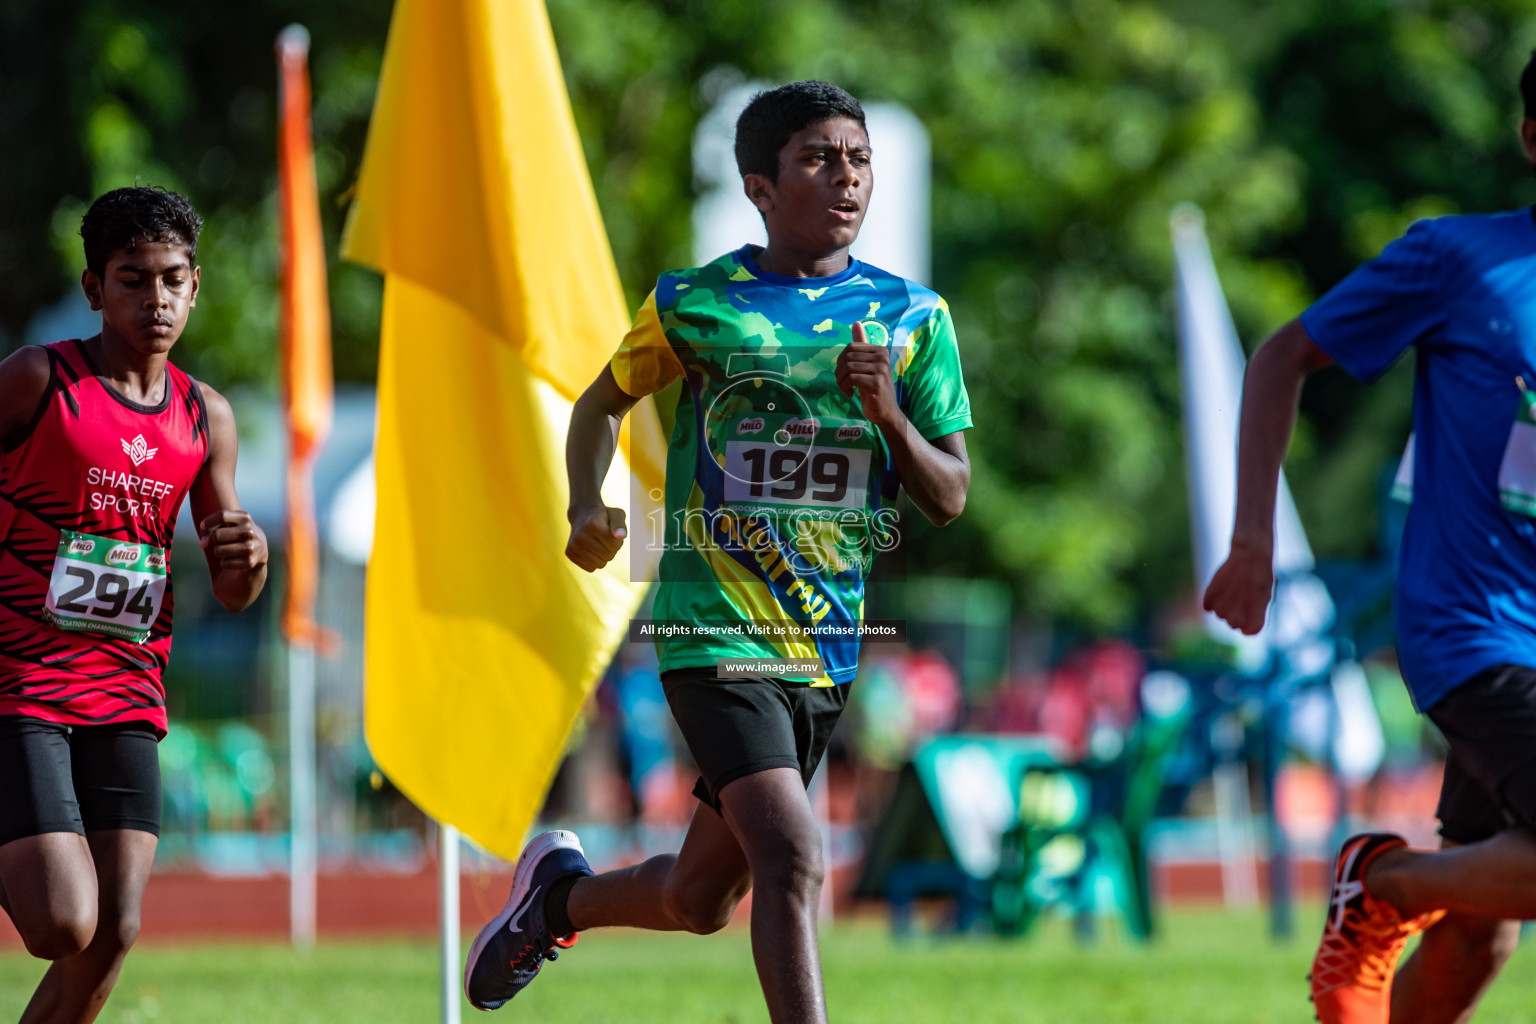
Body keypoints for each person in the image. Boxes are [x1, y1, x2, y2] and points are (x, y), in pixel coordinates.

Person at [465, 80, 972, 1022]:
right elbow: (599, 405)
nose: (847, 177)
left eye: (859, 159)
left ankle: (557, 901)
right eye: (819, 158)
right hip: (715, 629)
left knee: (700, 901)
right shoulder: (698, 304)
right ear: (760, 186)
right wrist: (588, 504)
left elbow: (948, 496)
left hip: (828, 647)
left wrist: (890, 418)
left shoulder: (915, 319)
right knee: (796, 855)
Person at [1203, 51, 1536, 1024]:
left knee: (1482, 930)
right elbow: (1280, 359)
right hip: (1473, 629)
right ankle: (1385, 883)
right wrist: (1255, 540)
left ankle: (1399, 894)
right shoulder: (1462, 258)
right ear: (1530, 139)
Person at [0, 186, 268, 1023]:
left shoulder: (204, 417)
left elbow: (233, 589)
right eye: (132, 280)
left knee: (113, 928)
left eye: (172, 280)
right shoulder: (38, 381)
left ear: (196, 287)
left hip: (124, 688)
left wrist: (250, 559)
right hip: (21, 682)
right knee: (61, 920)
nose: (155, 299)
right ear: (93, 289)